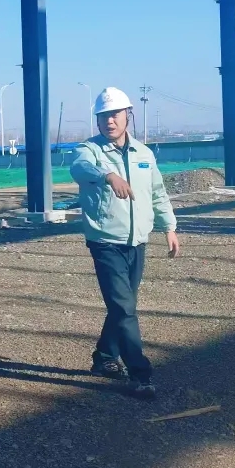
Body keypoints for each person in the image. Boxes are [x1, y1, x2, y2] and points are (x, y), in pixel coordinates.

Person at [70, 87, 180, 400]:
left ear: (127, 115)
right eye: (103, 116)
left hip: (137, 241)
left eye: (115, 114)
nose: (109, 121)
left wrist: (169, 227)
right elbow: (79, 169)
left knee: (122, 306)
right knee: (124, 307)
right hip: (105, 241)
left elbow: (157, 192)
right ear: (97, 120)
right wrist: (108, 175)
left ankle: (105, 357)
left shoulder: (143, 154)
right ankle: (140, 374)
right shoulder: (88, 150)